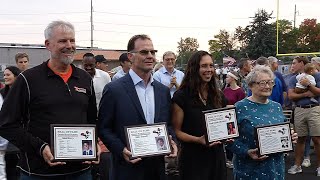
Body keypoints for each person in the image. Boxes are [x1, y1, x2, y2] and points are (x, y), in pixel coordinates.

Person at [0, 20, 98, 179]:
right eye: (62, 41)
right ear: (48, 44)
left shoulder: (84, 78)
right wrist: (39, 147)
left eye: (72, 40)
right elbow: (6, 124)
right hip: (39, 173)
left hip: (81, 172)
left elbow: (92, 119)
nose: (69, 45)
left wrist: (94, 143)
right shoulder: (28, 79)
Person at [98, 34, 177, 180]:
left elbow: (168, 125)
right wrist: (121, 150)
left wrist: (172, 142)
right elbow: (104, 128)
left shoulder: (162, 91)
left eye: (153, 52)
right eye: (144, 52)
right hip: (127, 170)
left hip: (156, 170)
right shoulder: (114, 89)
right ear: (130, 56)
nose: (150, 56)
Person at [227, 65, 298, 179]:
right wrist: (246, 151)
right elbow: (228, 140)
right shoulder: (240, 107)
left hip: (275, 168)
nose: (268, 86)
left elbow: (283, 131)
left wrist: (290, 137)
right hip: (249, 170)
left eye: (270, 82)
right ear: (251, 85)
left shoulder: (277, 107)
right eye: (262, 83)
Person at [171, 50, 228, 180]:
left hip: (216, 156)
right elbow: (177, 131)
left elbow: (226, 120)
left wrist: (228, 135)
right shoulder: (182, 96)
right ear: (194, 68)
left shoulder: (217, 95)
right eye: (204, 66)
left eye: (211, 65)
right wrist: (198, 140)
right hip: (193, 159)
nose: (209, 69)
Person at [287, 56, 320, 176]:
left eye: (294, 63)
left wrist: (308, 85)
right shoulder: (293, 78)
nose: (292, 65)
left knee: (317, 138)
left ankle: (319, 167)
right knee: (300, 138)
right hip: (299, 110)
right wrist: (307, 92)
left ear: (301, 63)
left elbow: (318, 92)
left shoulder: (317, 75)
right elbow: (291, 96)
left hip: (314, 109)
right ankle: (297, 165)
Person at [0, 66, 21, 180]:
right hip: (5, 139)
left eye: (8, 75)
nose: (5, 77)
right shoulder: (2, 93)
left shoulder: (23, 92)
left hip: (18, 138)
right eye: (4, 75)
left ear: (16, 76)